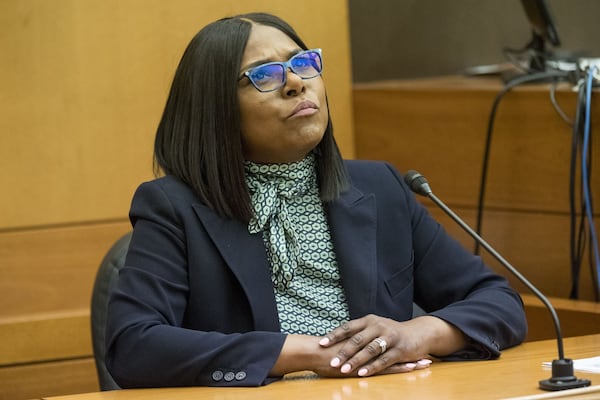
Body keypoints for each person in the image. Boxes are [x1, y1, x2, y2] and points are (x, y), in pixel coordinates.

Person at [105, 12, 527, 388]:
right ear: (214, 108)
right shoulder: (173, 208)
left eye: (303, 63)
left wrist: (419, 333)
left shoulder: (379, 187)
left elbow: (499, 302)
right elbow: (134, 345)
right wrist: (303, 354)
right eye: (265, 75)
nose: (295, 82)